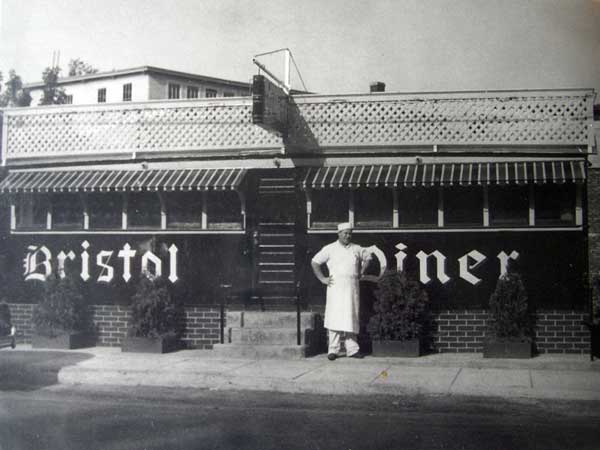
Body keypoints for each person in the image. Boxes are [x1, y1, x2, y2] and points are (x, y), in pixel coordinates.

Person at [311, 222, 372, 360]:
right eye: (345, 233)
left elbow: (368, 258)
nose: (347, 236)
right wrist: (322, 279)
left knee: (351, 316)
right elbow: (314, 262)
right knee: (335, 317)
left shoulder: (356, 248)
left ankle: (352, 349)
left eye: (350, 233)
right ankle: (333, 350)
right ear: (339, 234)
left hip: (352, 288)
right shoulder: (330, 248)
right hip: (335, 288)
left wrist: (362, 271)